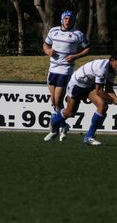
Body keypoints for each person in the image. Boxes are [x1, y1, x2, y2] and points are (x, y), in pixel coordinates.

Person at [50, 51, 117, 146]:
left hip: (89, 85)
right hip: (77, 84)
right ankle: (54, 121)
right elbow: (99, 91)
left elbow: (109, 89)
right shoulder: (102, 68)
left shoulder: (113, 71)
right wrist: (116, 101)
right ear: (112, 60)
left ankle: (89, 137)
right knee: (70, 113)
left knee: (103, 106)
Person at [43, 10, 90, 142]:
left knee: (58, 100)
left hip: (65, 69)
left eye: (70, 19)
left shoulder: (77, 34)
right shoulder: (53, 31)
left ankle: (57, 128)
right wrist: (48, 51)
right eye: (66, 19)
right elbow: (45, 45)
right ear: (62, 20)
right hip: (52, 68)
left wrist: (75, 56)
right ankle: (63, 127)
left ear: (72, 20)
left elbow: (87, 48)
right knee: (53, 101)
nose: (68, 21)